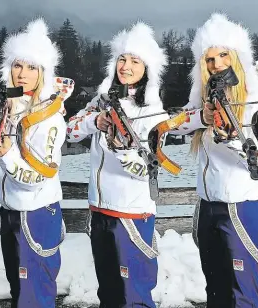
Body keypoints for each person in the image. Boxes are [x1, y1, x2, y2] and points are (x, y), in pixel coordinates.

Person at [170, 13, 258, 307]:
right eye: (209, 59)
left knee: (247, 297)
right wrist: (203, 117)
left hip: (245, 210)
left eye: (223, 55)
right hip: (210, 208)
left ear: (238, 58)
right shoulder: (206, 101)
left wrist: (233, 138)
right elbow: (174, 124)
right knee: (217, 296)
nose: (217, 63)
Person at [0, 18, 73, 308]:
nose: (22, 74)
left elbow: (38, 178)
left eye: (31, 67)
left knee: (35, 295)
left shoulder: (49, 117)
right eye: (17, 66)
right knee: (18, 291)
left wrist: (6, 154)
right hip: (11, 210)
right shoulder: (5, 104)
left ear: (43, 73)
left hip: (37, 212)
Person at [66, 22, 169, 307]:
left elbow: (147, 171)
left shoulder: (152, 112)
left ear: (147, 68)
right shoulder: (102, 101)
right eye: (122, 59)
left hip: (131, 214)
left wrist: (121, 147)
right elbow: (70, 131)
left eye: (135, 61)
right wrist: (94, 121)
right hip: (100, 209)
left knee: (133, 295)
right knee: (109, 293)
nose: (126, 66)